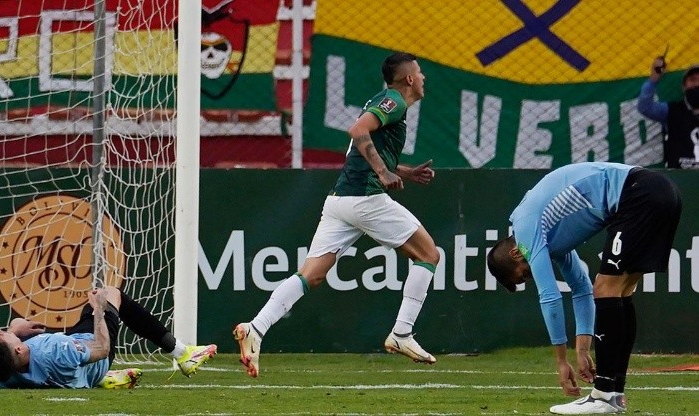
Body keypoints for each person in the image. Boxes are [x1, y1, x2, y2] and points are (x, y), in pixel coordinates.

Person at [233, 52, 440, 378]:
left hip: (340, 201)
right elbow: (358, 132)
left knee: (310, 276)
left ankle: (255, 328)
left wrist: (405, 171)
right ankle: (402, 333)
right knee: (429, 254)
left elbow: (367, 145)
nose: (424, 77)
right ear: (410, 79)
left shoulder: (383, 102)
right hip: (365, 198)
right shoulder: (394, 102)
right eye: (420, 71)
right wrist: (383, 175)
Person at [486, 162, 681, 415]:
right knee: (622, 289)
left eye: (525, 275)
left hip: (637, 193)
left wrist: (561, 361)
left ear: (515, 253)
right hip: (662, 191)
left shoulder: (525, 229)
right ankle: (614, 393)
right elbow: (580, 287)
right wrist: (581, 349)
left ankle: (602, 394)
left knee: (607, 287)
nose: (532, 275)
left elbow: (550, 296)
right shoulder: (550, 237)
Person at [0, 286, 217, 389]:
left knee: (91, 311)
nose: (1, 332)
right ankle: (182, 353)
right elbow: (102, 348)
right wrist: (100, 311)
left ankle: (100, 379)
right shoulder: (56, 350)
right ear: (20, 350)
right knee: (110, 294)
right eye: (2, 336)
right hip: (95, 350)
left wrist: (14, 332)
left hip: (73, 366)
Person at [636, 58, 699, 168]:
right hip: (680, 177)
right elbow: (645, 107)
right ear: (684, 87)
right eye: (693, 80)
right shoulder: (671, 110)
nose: (697, 84)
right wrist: (654, 78)